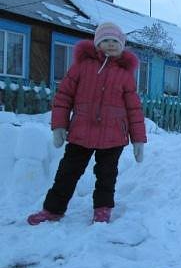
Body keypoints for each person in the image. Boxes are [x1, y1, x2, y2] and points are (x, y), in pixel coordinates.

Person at [27, 22, 147, 225]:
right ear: (97, 43)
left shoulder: (125, 76)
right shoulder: (81, 68)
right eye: (106, 40)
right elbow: (64, 97)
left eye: (115, 41)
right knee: (67, 173)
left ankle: (102, 210)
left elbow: (134, 110)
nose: (110, 44)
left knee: (106, 176)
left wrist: (138, 140)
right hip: (81, 133)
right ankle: (53, 210)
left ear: (122, 45)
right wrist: (59, 126)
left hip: (113, 136)